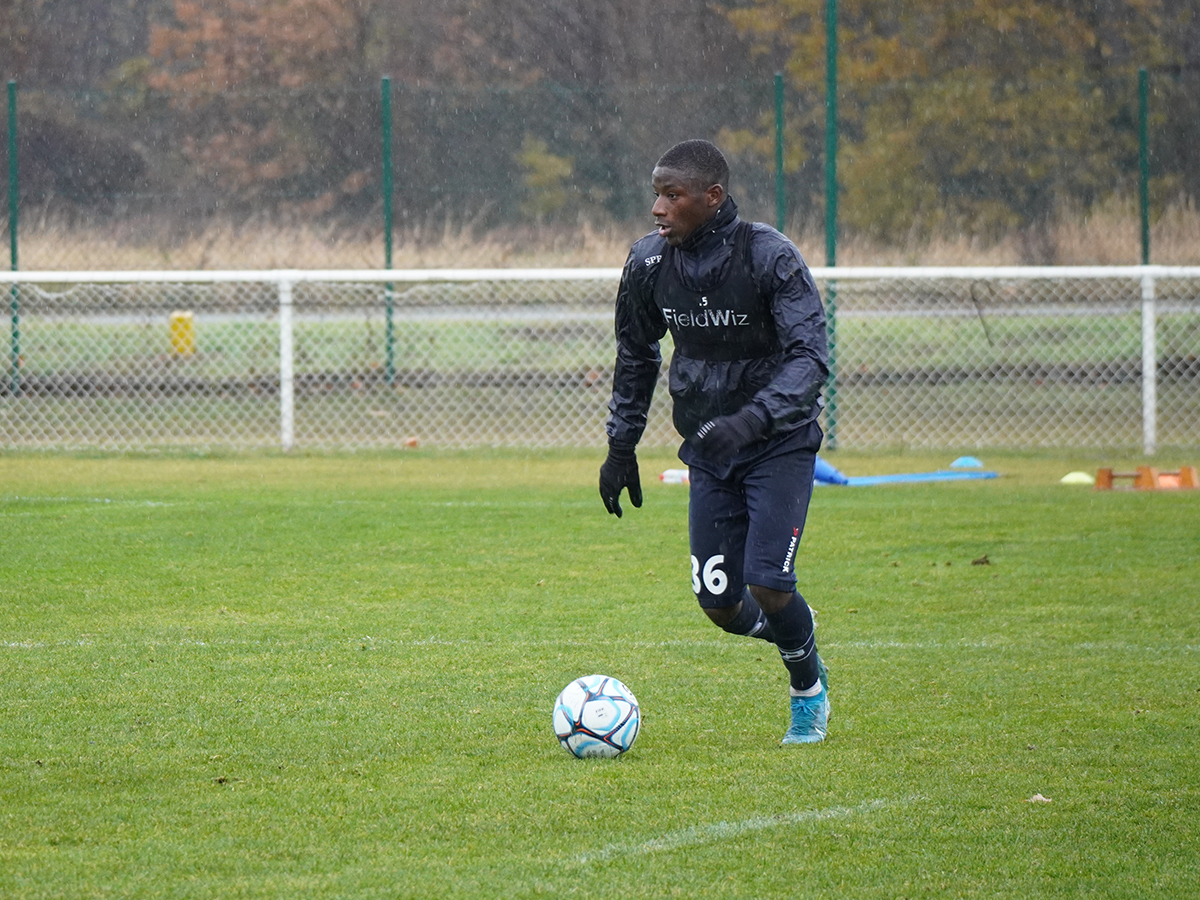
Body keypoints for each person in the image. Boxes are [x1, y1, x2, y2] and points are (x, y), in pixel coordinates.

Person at [598, 139, 831, 744]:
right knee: (720, 606)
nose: (658, 208)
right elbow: (636, 353)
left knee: (769, 583)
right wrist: (621, 447)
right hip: (707, 451)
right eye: (656, 194)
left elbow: (810, 359)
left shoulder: (770, 256)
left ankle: (807, 687)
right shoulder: (648, 263)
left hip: (778, 443)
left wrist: (753, 420)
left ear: (713, 197)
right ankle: (792, 632)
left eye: (672, 196)